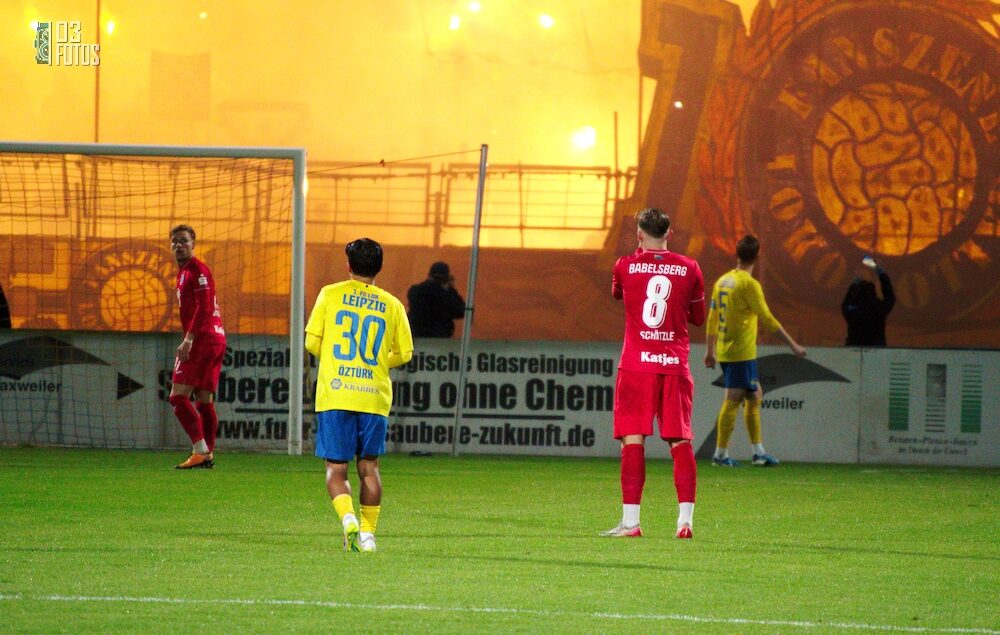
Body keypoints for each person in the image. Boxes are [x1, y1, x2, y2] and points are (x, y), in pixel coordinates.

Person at [602, 207, 705, 540]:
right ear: (670, 233)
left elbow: (619, 294)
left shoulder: (624, 266)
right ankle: (684, 522)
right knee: (681, 440)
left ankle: (631, 523)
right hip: (674, 365)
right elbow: (699, 317)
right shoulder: (690, 268)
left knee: (633, 440)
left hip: (636, 365)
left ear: (639, 233)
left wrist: (639, 256)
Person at [305, 238, 414, 552]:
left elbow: (312, 344)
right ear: (378, 268)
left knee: (336, 470)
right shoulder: (392, 304)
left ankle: (348, 518)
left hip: (336, 395)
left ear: (348, 265)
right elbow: (405, 352)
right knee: (369, 468)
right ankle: (367, 534)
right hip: (373, 396)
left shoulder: (331, 294)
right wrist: (377, 361)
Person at [704, 235, 806, 468]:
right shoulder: (749, 285)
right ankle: (720, 455)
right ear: (757, 257)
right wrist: (793, 344)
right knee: (732, 400)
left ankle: (758, 453)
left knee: (754, 395)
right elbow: (767, 319)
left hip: (726, 349)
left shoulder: (723, 281)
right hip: (740, 351)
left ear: (737, 254)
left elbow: (711, 318)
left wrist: (710, 350)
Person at [168, 224, 226, 470]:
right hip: (215, 339)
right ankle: (208, 453)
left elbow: (203, 307)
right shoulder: (184, 272)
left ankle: (200, 450)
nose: (179, 245)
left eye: (184, 241)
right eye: (175, 241)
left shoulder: (198, 270)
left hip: (202, 339)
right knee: (204, 400)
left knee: (177, 397)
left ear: (194, 244)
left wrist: (189, 339)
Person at [842, 256, 895, 346]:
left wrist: (855, 282)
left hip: (853, 352)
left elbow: (846, 303)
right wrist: (880, 271)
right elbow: (890, 296)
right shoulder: (879, 309)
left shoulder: (851, 310)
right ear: (873, 293)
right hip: (877, 353)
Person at [406, 261, 465, 338]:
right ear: (446, 278)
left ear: (429, 275)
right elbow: (461, 311)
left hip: (416, 337)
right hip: (439, 338)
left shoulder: (415, 290)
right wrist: (450, 289)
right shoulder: (444, 295)